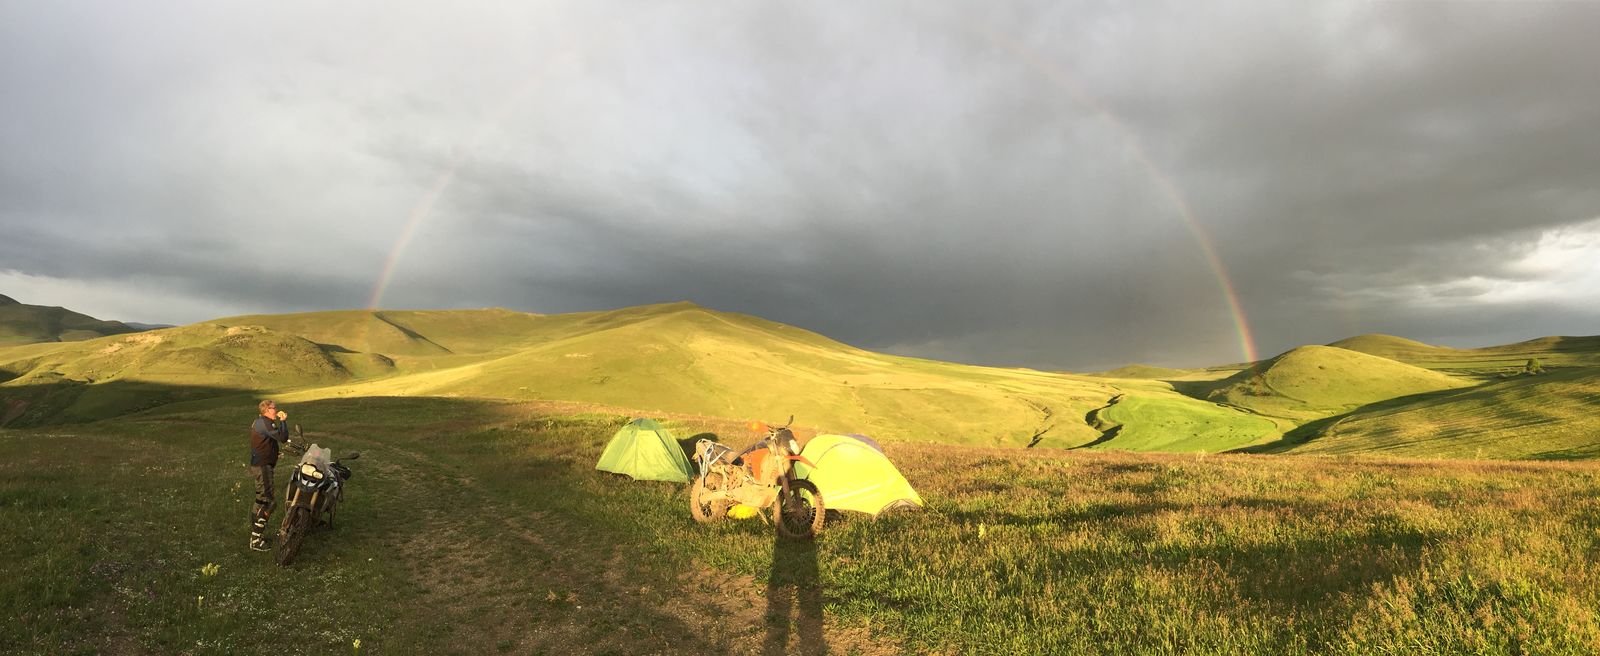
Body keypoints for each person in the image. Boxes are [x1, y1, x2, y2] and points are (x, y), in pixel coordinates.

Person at [248, 399, 291, 552]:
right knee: (269, 502)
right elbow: (282, 438)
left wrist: (274, 453)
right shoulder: (266, 422)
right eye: (274, 408)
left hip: (259, 464)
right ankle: (255, 540)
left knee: (260, 499)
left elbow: (263, 441)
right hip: (263, 467)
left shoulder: (260, 422)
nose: (276, 410)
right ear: (266, 410)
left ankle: (255, 530)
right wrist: (283, 421)